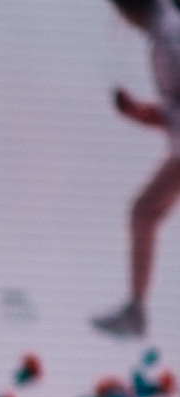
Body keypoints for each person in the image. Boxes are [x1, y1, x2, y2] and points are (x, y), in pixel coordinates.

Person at [95, 0, 180, 336]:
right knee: (144, 213)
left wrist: (141, 113)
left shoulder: (169, 35)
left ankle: (136, 312)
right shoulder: (164, 31)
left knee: (144, 213)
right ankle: (136, 312)